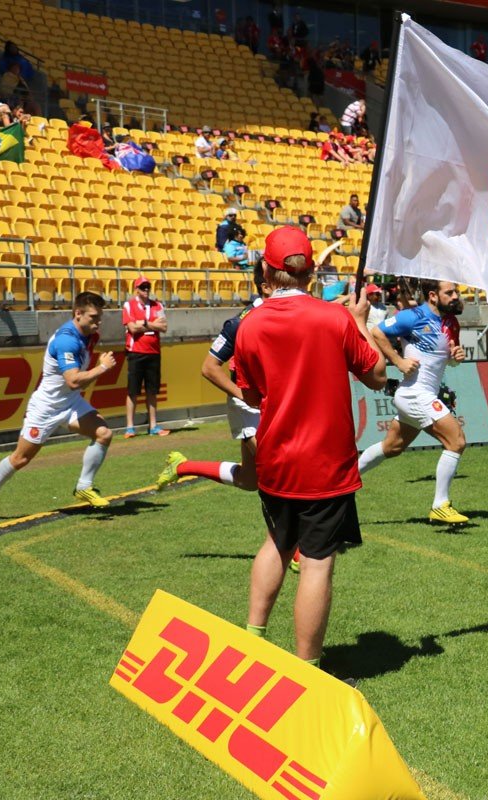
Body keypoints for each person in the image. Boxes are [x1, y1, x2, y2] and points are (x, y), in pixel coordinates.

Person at [234, 227, 386, 666]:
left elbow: (251, 394)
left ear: (267, 269)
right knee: (317, 562)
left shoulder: (250, 326)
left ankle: (253, 637)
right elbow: (376, 377)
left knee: (276, 543)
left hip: (276, 455)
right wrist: (358, 322)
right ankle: (308, 669)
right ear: (311, 270)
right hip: (326, 462)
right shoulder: (333, 318)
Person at [0, 292, 117, 523]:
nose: (98, 322)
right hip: (46, 407)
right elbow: (73, 380)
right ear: (78, 313)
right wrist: (102, 368)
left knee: (104, 433)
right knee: (21, 459)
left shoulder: (90, 335)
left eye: (100, 317)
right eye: (93, 317)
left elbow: (73, 383)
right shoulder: (66, 340)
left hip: (70, 402)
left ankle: (84, 486)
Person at [357, 280, 470, 524]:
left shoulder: (451, 322)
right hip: (416, 394)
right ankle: (440, 505)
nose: (455, 296)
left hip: (418, 394)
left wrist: (456, 358)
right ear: (432, 295)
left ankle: (344, 482)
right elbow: (377, 332)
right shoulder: (414, 316)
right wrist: (398, 361)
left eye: (456, 292)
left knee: (392, 448)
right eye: (449, 292)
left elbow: (447, 358)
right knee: (457, 441)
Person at [157, 266, 266, 494]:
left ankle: (182, 466)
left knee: (249, 480)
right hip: (249, 406)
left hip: (271, 402)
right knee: (277, 467)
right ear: (266, 286)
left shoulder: (283, 315)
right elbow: (209, 368)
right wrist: (244, 397)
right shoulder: (240, 322)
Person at [122, 276, 170, 438]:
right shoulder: (129, 305)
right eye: (143, 287)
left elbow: (163, 327)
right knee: (133, 391)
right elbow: (132, 328)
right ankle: (130, 427)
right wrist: (151, 324)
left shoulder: (158, 305)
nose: (146, 289)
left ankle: (153, 426)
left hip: (154, 352)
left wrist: (143, 323)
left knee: (152, 390)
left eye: (148, 286)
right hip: (136, 352)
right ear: (136, 289)